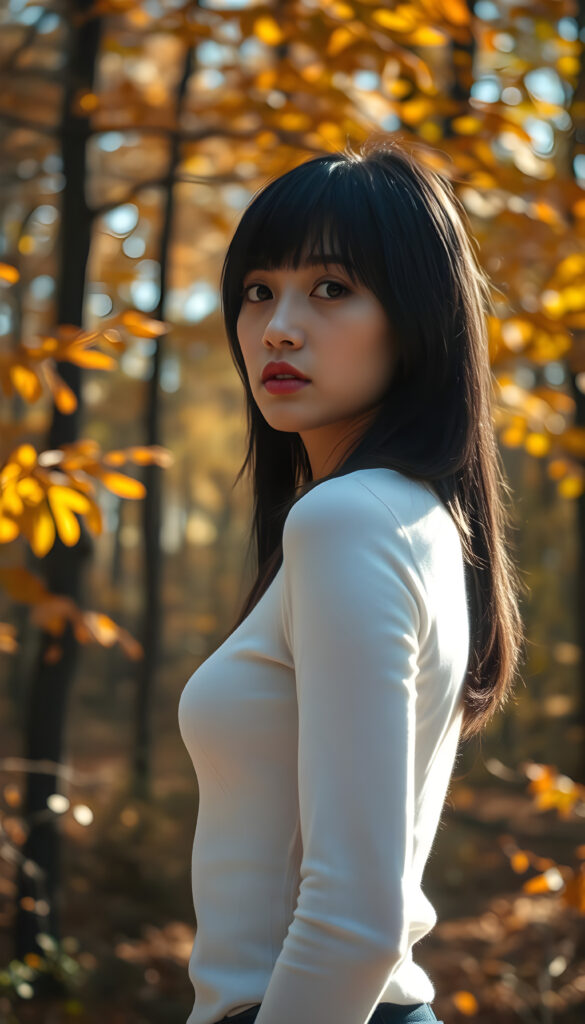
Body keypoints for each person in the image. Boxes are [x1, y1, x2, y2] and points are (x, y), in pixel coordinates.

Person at [178, 133, 527, 1024]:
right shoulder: (417, 517)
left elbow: (351, 922)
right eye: (259, 291)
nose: (278, 326)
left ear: (415, 317)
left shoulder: (347, 520)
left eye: (330, 289)